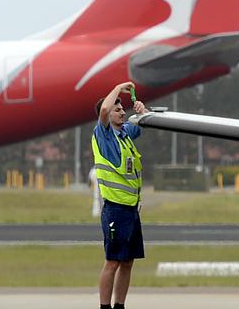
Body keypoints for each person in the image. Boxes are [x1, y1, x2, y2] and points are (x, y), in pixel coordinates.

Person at [92, 81, 148, 309]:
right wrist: (117, 88)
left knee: (128, 261)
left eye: (123, 108)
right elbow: (104, 110)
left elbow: (142, 124)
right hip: (115, 208)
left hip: (131, 209)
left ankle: (119, 305)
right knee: (112, 262)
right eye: (118, 109)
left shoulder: (124, 134)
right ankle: (105, 306)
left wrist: (143, 112)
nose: (122, 111)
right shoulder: (103, 134)